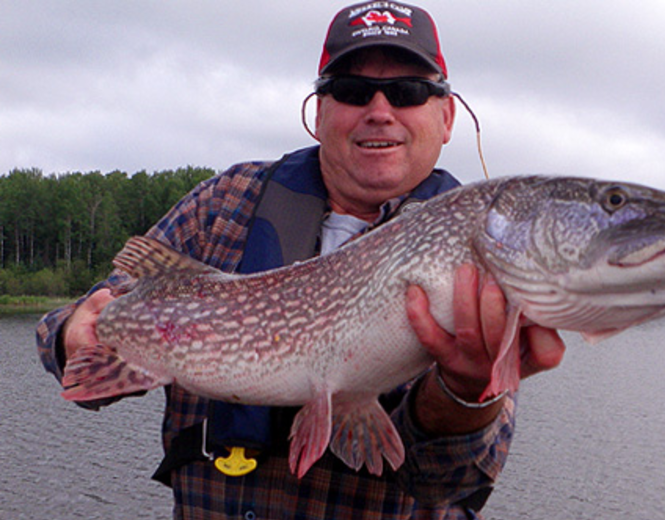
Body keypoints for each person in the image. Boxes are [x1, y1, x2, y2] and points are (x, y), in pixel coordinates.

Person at [36, 3, 566, 519]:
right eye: (352, 91)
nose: (379, 110)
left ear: (447, 117)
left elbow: (452, 483)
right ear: (318, 113)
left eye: (408, 92)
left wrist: (466, 393)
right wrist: (72, 335)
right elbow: (79, 328)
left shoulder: (481, 243)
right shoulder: (225, 203)